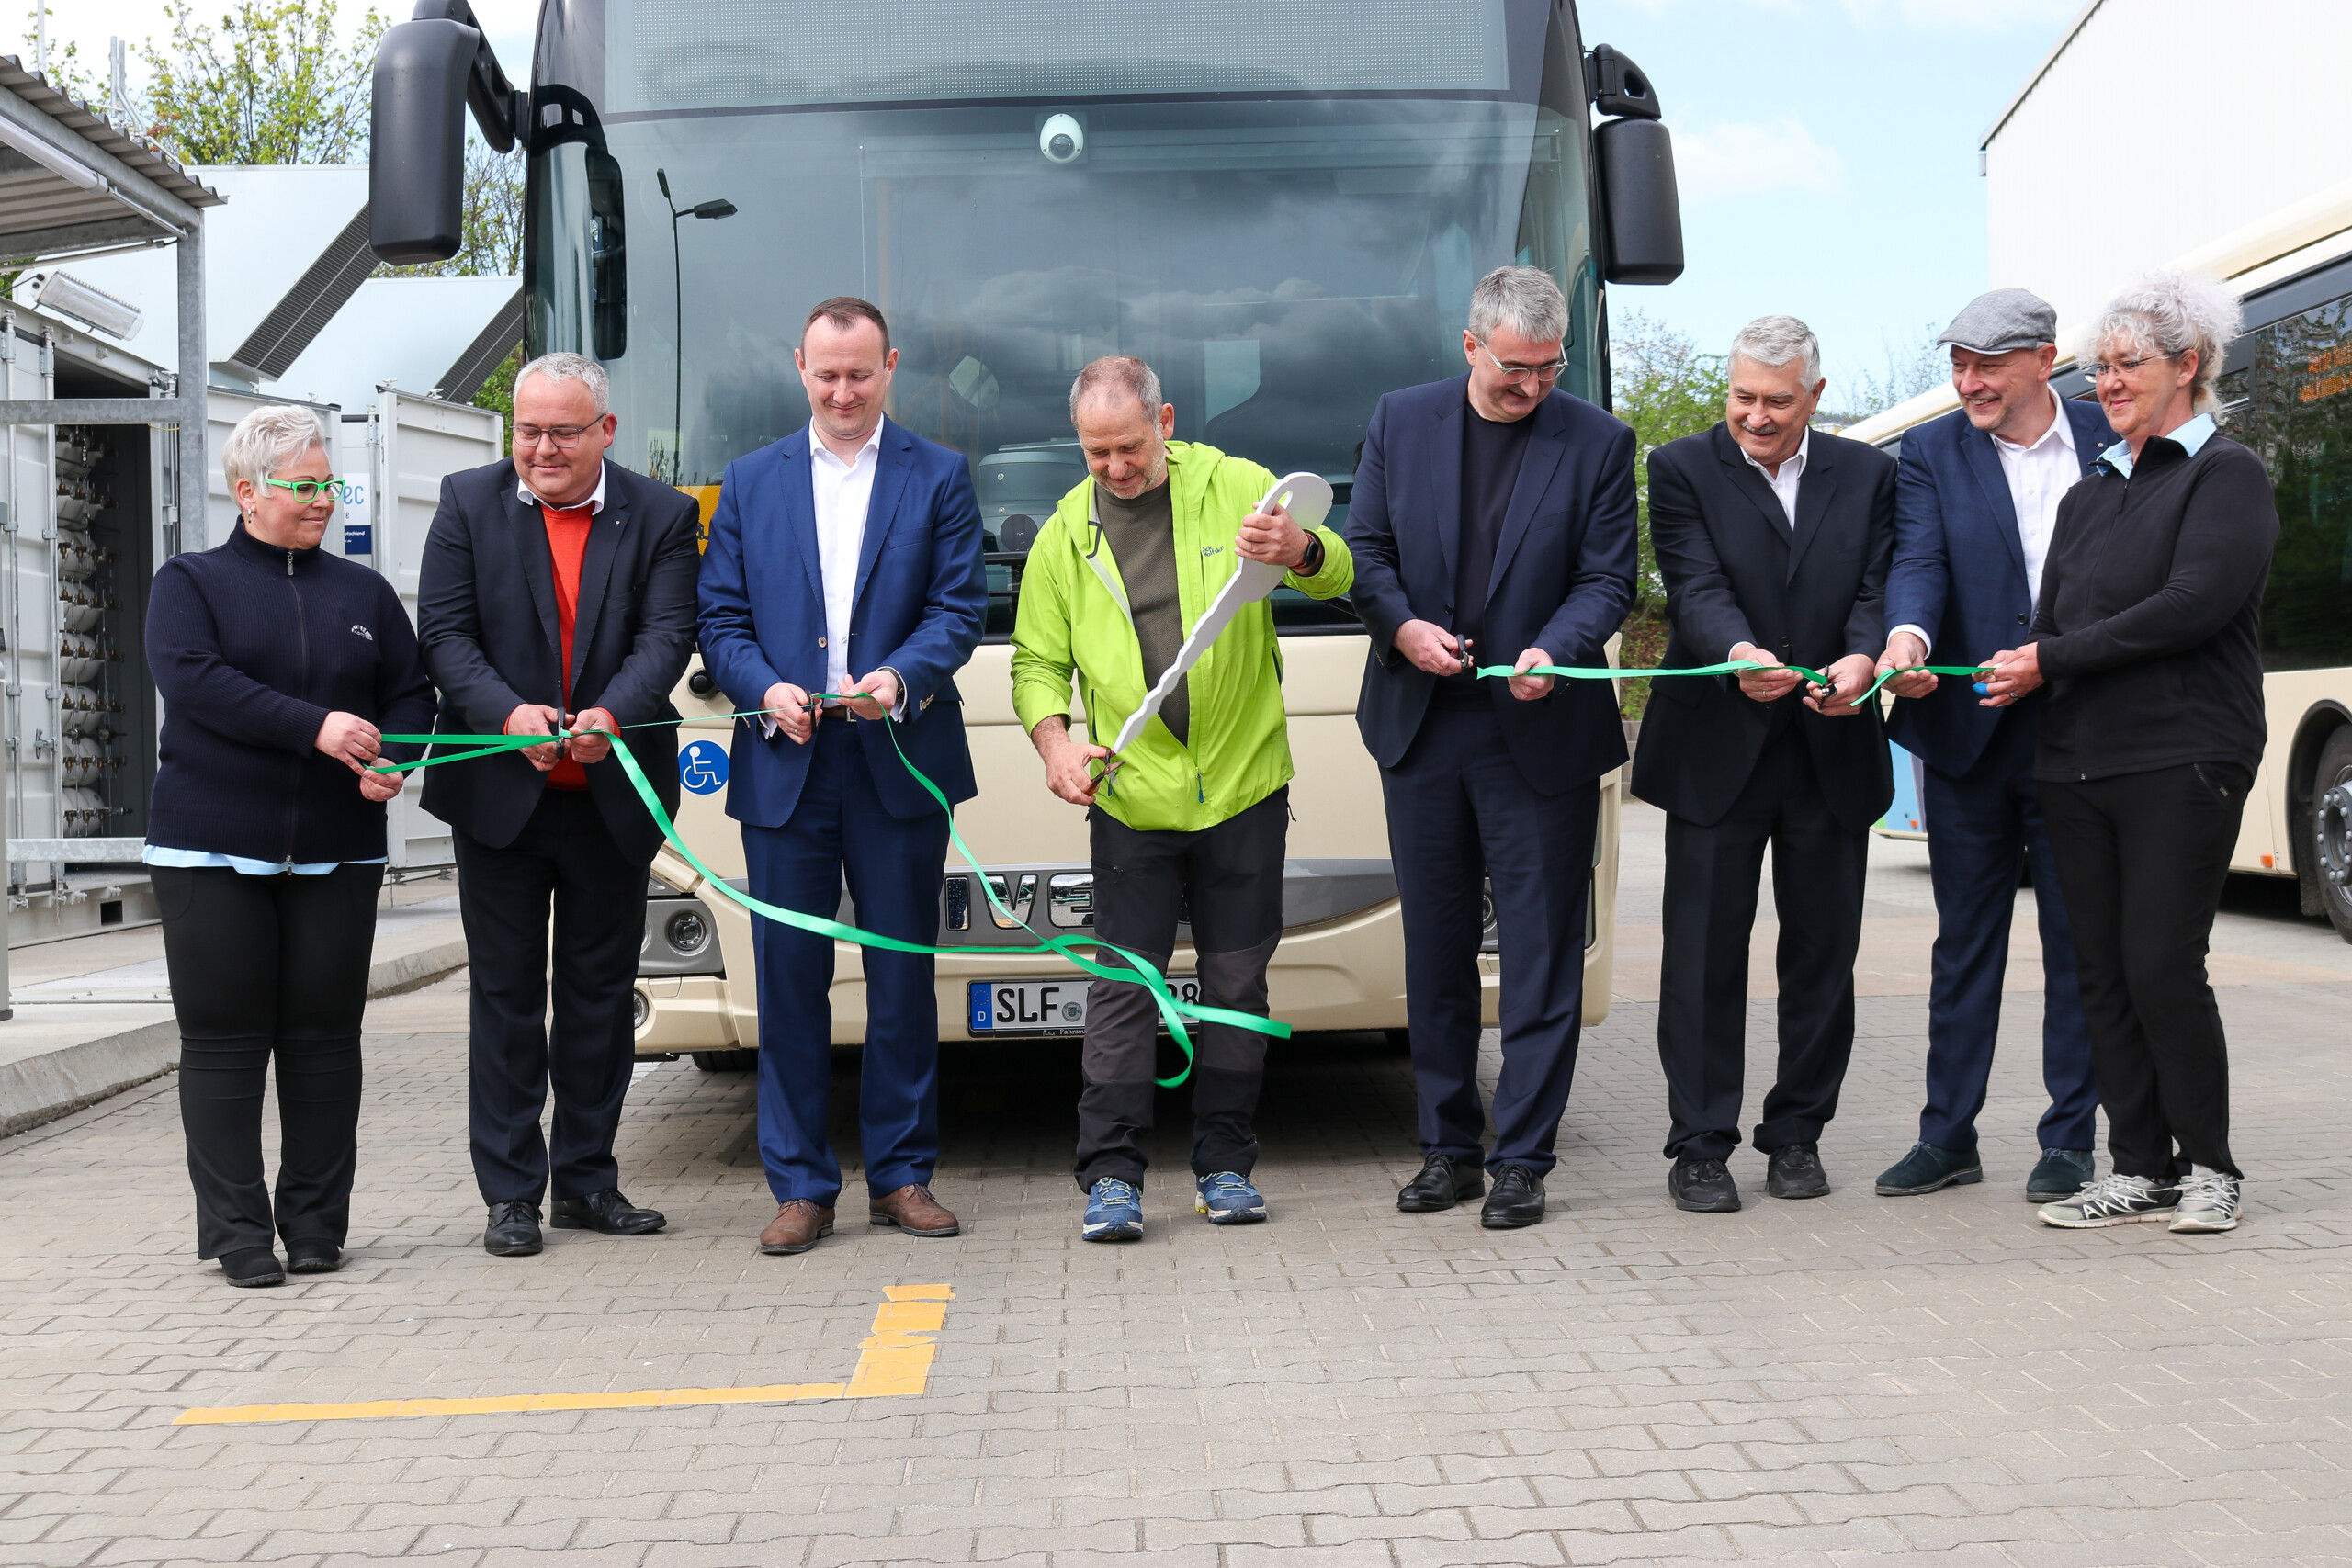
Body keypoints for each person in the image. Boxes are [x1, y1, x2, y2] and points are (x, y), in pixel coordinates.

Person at [1010, 355, 1352, 1242]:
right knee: (1124, 988)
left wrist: (1304, 549)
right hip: (1133, 801)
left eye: (1128, 447)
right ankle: (1113, 1179)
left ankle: (1226, 1165)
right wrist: (1055, 743)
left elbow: (1337, 573)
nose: (1115, 468)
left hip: (1244, 788)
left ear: (1163, 422)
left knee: (1238, 984)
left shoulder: (1238, 486)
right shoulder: (1062, 537)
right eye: (1095, 454)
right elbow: (1037, 663)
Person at [1979, 273, 2277, 1234]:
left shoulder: (2223, 473)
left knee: (2159, 963)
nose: (2105, 382)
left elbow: (2191, 607)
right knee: (2099, 971)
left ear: (2186, 365)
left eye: (2126, 365)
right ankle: (2137, 1166)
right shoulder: (2088, 494)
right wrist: (2014, 669)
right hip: (2075, 765)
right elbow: (2050, 626)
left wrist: (2050, 657)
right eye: (2097, 367)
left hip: (2182, 757)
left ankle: (2212, 1169)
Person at [1344, 265, 1637, 1229]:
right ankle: (1446, 1150)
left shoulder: (1597, 442)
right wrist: (1401, 630)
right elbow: (1367, 555)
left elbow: (1608, 580)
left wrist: (1558, 646)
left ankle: (1521, 1159)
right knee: (1432, 951)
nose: (1533, 387)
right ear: (1471, 347)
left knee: (1541, 953)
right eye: (1516, 368)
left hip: (1539, 732)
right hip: (1422, 728)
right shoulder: (1399, 419)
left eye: (1549, 370)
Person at [697, 298, 988, 1258]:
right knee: (789, 981)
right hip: (786, 762)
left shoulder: (939, 475)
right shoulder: (748, 482)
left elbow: (958, 608)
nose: (843, 391)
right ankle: (800, 1185)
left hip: (896, 759)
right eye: (826, 374)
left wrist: (900, 679)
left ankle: (902, 1176)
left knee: (903, 975)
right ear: (800, 368)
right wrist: (763, 687)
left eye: (860, 373)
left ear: (890, 366)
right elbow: (721, 619)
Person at [417, 352, 702, 1258]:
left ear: (605, 432)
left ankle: (587, 1181)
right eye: (528, 430)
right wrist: (507, 715)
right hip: (501, 799)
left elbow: (668, 635)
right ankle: (510, 1194)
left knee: (597, 998)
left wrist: (612, 715)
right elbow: (445, 635)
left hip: (610, 796)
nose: (541, 448)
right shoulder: (467, 502)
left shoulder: (660, 515)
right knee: (504, 1001)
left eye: (562, 432)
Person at [143, 404, 435, 1287]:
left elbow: (411, 696)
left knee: (322, 1040)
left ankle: (314, 1226)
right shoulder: (189, 583)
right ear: (247, 492)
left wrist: (396, 760)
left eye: (328, 485)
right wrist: (316, 728)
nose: (321, 501)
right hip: (210, 849)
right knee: (226, 1040)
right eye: (304, 487)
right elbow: (196, 683)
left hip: (337, 851)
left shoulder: (365, 595)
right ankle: (237, 1233)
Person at [1632, 316, 1897, 1213]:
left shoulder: (1869, 474)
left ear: (1814, 397)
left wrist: (1863, 662)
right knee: (1703, 957)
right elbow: (1694, 586)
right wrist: (1739, 653)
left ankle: (1796, 1137)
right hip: (1715, 748)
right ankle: (1700, 1145)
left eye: (1775, 402)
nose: (1754, 416)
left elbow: (1874, 591)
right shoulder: (1677, 470)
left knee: (1821, 957)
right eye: (1741, 396)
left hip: (1831, 744)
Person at [1871, 289, 2116, 1206]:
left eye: (1985, 365)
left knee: (2077, 945)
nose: (1966, 382)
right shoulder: (1935, 451)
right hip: (1967, 739)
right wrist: (1906, 641)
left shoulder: (2110, 438)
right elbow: (1919, 563)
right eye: (1957, 365)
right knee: (1962, 946)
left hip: (2081, 734)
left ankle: (2068, 1142)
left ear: (2043, 359)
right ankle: (1947, 1137)